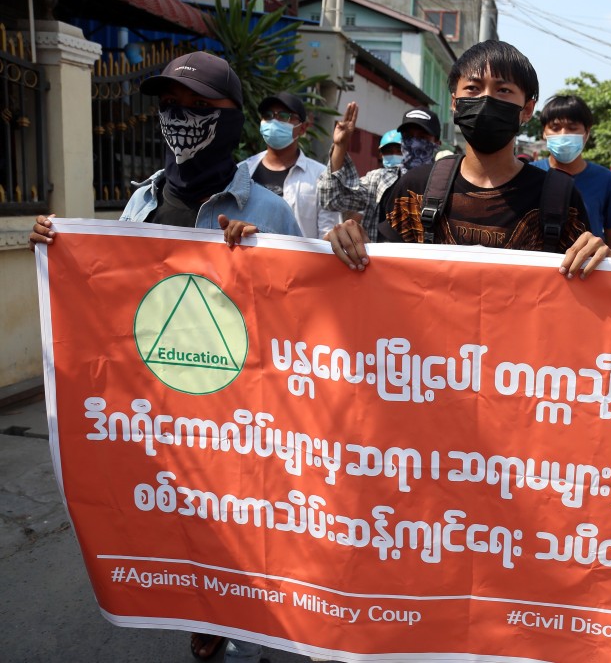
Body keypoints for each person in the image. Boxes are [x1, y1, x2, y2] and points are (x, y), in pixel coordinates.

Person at [31, 51, 301, 663]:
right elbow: (110, 303)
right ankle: (206, 623)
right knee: (186, 525)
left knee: (240, 530)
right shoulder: (141, 209)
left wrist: (261, 265)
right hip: (166, 408)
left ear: (233, 119)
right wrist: (58, 252)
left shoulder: (270, 211)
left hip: (241, 414)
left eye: (200, 108)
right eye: (171, 107)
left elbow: (302, 329)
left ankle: (243, 626)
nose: (181, 118)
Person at [326, 39, 611, 279]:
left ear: (527, 110)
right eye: (473, 88)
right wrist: (345, 245)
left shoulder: (560, 198)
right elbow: (378, 278)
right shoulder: (414, 191)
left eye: (503, 90)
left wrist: (603, 262)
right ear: (454, 103)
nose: (486, 100)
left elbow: (583, 292)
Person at [317, 105, 443, 243]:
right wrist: (340, 146)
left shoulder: (446, 184)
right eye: (408, 136)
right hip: (380, 263)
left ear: (437, 143)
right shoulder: (379, 180)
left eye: (422, 137)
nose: (414, 143)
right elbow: (332, 199)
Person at [533, 94, 611, 257]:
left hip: (588, 276)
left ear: (587, 133)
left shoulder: (606, 180)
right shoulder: (530, 174)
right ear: (544, 132)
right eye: (555, 128)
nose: (563, 134)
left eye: (572, 128)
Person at [243, 91, 330, 239]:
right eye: (268, 115)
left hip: (299, 261)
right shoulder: (243, 170)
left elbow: (328, 234)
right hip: (250, 260)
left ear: (302, 128)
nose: (274, 121)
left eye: (284, 116)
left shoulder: (321, 176)